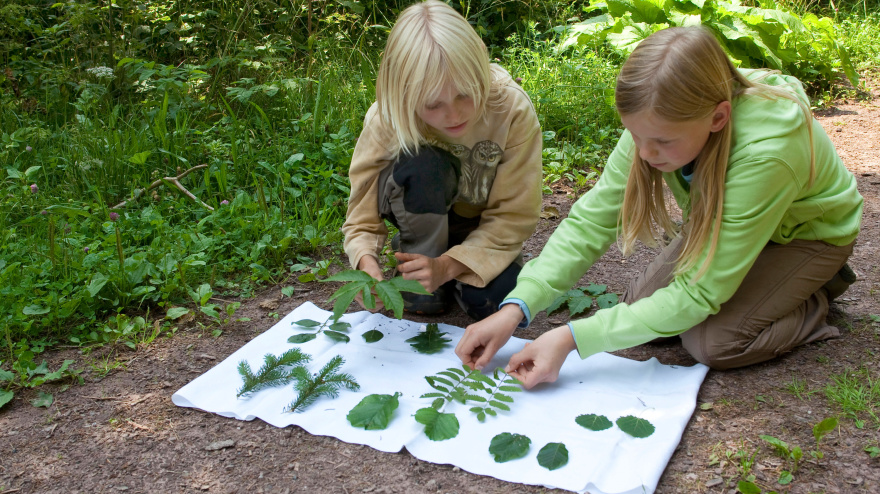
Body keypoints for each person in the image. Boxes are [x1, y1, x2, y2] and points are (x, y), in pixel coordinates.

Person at [455, 26, 864, 388]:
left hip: (805, 238)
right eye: (636, 136)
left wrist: (570, 338)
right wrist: (516, 307)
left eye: (663, 142)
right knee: (642, 315)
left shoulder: (767, 154)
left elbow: (699, 294)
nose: (646, 154)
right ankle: (762, 288)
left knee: (712, 342)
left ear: (718, 117)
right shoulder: (655, 124)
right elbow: (592, 221)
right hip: (723, 222)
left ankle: (812, 293)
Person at [341, 0, 543, 320]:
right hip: (420, 214)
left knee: (494, 302)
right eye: (432, 104)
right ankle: (420, 260)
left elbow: (514, 215)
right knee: (426, 166)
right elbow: (362, 213)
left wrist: (449, 266)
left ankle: (453, 267)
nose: (453, 114)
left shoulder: (511, 110)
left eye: (465, 93)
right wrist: (367, 265)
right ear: (403, 93)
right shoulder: (387, 118)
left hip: (481, 227)